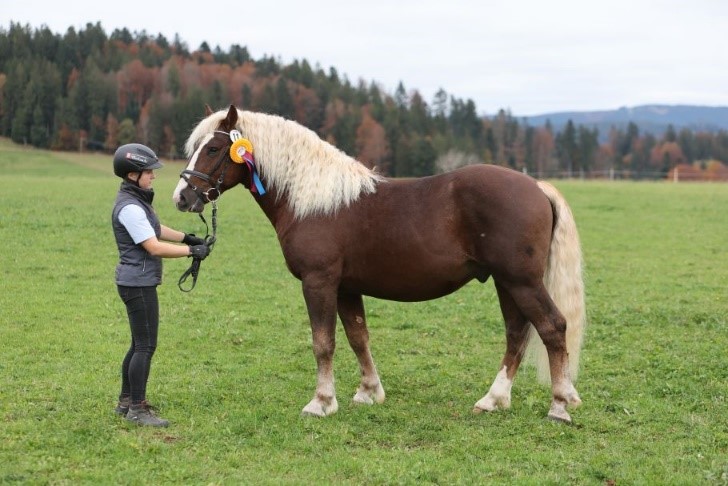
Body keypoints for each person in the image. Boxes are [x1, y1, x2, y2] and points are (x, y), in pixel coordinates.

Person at [111, 143, 210, 427]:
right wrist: (192, 253)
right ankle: (137, 410)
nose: (153, 176)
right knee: (145, 346)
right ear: (133, 175)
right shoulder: (130, 207)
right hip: (137, 284)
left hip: (136, 281)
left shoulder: (136, 201)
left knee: (137, 344)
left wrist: (187, 238)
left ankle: (126, 402)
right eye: (148, 172)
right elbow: (153, 246)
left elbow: (154, 228)